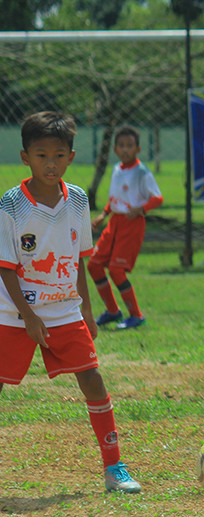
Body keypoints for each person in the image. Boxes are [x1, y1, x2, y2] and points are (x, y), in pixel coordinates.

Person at [0, 111, 141, 493]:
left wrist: (88, 311)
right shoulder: (11, 205)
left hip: (64, 309)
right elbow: (7, 268)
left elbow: (78, 258)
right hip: (14, 313)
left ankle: (114, 468)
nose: (51, 163)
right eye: (42, 155)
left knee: (93, 380)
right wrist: (28, 317)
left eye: (59, 155)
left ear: (71, 157)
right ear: (25, 157)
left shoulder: (77, 199)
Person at [89, 123, 163, 330]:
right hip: (114, 223)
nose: (125, 149)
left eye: (129, 145)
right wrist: (103, 214)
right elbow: (115, 199)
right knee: (94, 265)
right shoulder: (116, 169)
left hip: (132, 224)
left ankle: (136, 315)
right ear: (115, 150)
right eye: (121, 145)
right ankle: (113, 311)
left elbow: (157, 198)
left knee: (116, 270)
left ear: (138, 149)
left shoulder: (142, 172)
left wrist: (140, 209)